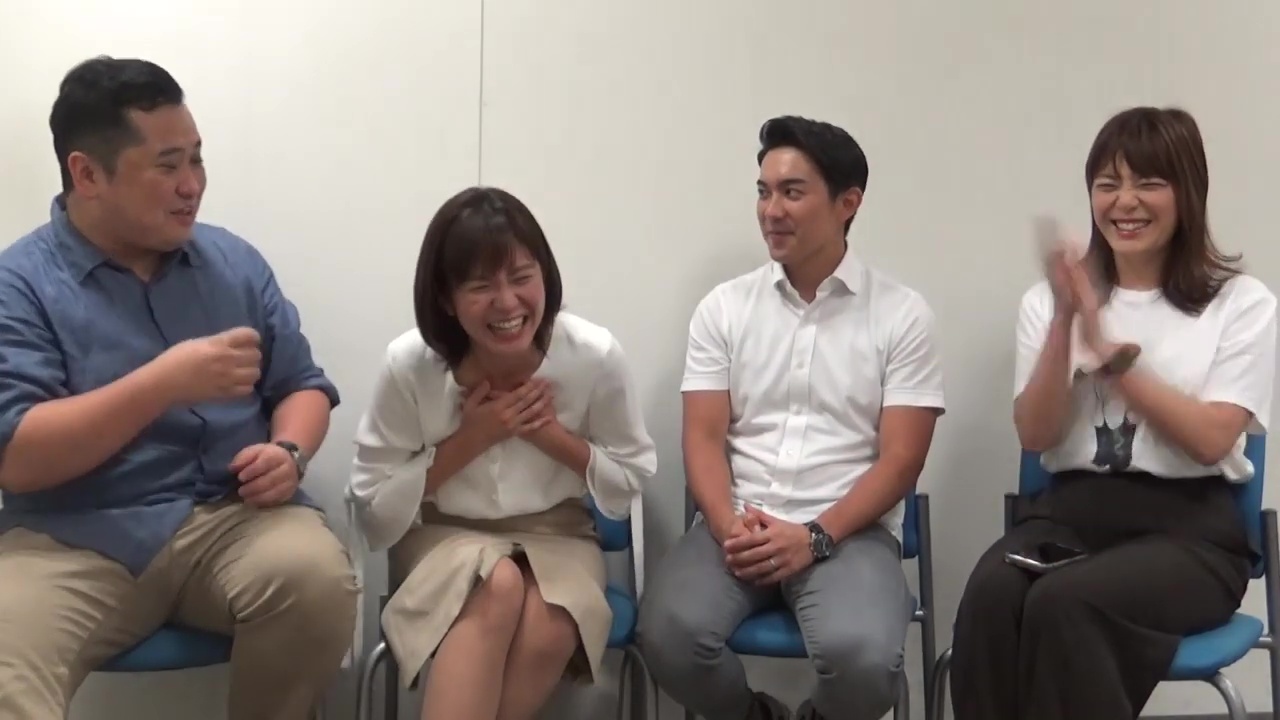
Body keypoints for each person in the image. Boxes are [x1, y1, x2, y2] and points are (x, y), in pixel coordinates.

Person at [0, 57, 357, 719]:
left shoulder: (232, 262)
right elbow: (18, 458)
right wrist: (163, 383)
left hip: (232, 519)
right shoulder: (18, 285)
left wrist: (289, 452)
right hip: (71, 537)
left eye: (196, 159)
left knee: (316, 580)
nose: (192, 185)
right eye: (167, 166)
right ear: (87, 174)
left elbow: (302, 385)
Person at [948, 106, 1276, 720]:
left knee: (1066, 603)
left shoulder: (1241, 303)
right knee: (992, 595)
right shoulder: (1048, 302)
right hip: (1068, 517)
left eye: (1148, 182)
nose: (1125, 202)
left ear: (1188, 191)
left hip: (1191, 536)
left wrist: (1109, 357)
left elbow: (1212, 440)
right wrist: (1067, 320)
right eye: (1107, 184)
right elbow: (1036, 433)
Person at [636, 115, 947, 720]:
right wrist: (728, 525)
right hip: (739, 523)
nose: (771, 211)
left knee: (865, 662)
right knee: (668, 636)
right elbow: (702, 438)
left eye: (792, 192)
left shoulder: (902, 316)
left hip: (847, 533)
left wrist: (815, 537)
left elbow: (902, 459)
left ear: (847, 203)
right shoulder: (725, 307)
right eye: (763, 192)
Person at [347, 186, 657, 720]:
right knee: (499, 582)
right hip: (440, 535)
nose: (508, 302)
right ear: (446, 299)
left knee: (550, 618)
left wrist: (548, 435)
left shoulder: (592, 356)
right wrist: (474, 437)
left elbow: (630, 477)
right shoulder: (410, 365)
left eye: (521, 278)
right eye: (481, 286)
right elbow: (372, 506)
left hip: (559, 533)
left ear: (545, 277)